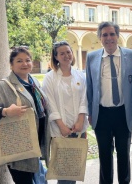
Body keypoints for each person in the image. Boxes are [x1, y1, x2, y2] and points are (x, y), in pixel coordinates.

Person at [0, 46, 50, 184]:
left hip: (35, 146)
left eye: (27, 60)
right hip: (19, 150)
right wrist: (5, 112)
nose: (25, 64)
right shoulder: (2, 86)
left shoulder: (33, 82)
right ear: (11, 65)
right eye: (19, 61)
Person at [86, 21, 132, 184]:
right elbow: (89, 87)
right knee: (104, 154)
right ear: (100, 38)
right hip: (101, 113)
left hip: (123, 112)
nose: (109, 38)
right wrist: (90, 112)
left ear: (117, 36)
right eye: (104, 34)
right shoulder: (91, 57)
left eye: (112, 34)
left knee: (124, 153)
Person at [42, 41, 88, 184]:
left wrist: (80, 120)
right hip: (59, 131)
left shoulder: (80, 75)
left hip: (78, 129)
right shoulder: (50, 78)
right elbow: (49, 104)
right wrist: (61, 126)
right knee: (63, 172)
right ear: (55, 57)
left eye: (68, 52)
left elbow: (84, 99)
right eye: (62, 53)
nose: (66, 55)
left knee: (74, 170)